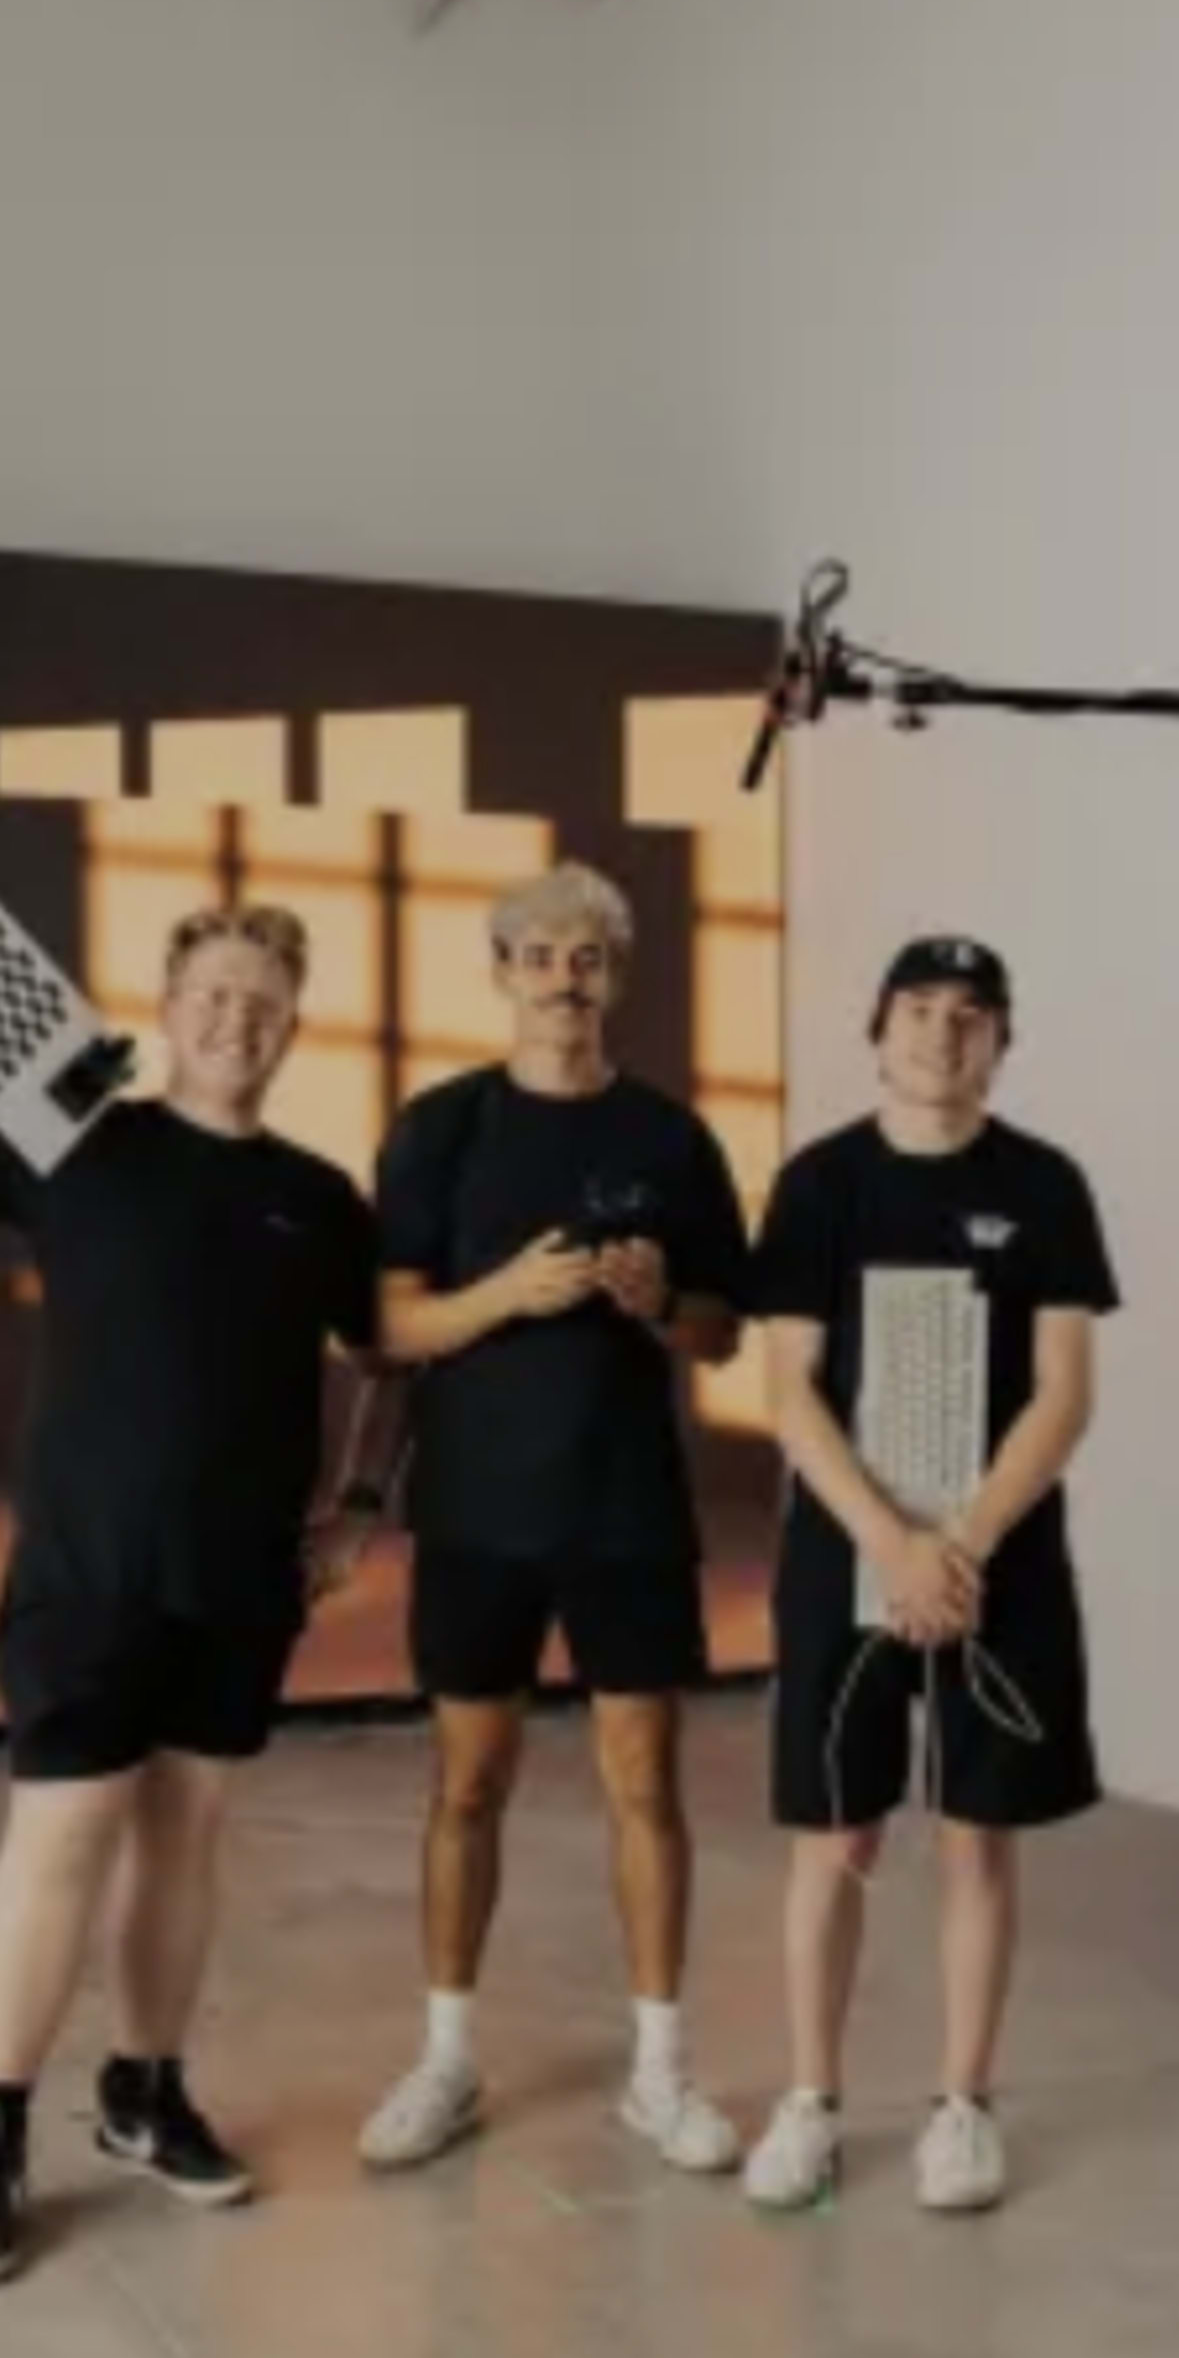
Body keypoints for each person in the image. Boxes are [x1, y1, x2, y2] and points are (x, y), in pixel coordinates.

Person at [0, 871, 384, 2286]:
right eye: (210, 997)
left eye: (261, 1005)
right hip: (87, 1567)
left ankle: (145, 2090)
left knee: (185, 1832)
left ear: (291, 1025)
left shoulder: (317, 1199)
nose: (233, 1022)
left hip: (242, 1577)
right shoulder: (75, 1138)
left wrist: (360, 1505)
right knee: (66, 1830)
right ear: (170, 1008)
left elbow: (390, 1361)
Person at [354, 861, 753, 2178]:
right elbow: (389, 1322)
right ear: (506, 971)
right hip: (477, 1508)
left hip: (627, 1506)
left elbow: (722, 1327)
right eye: (541, 955)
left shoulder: (671, 1139)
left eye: (589, 956)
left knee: (647, 1785)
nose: (564, 978)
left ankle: (658, 2069)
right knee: (466, 1785)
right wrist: (508, 1294)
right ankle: (447, 2058)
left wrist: (655, 1302)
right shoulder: (442, 1129)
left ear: (614, 976)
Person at [738, 936, 1116, 2216]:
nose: (941, 1036)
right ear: (877, 1027)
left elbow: (1063, 1398)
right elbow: (787, 1393)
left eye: (971, 1016)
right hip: (844, 1550)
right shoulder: (820, 1184)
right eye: (918, 1010)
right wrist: (889, 1544)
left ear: (1001, 1040)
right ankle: (811, 2101)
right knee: (833, 1835)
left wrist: (959, 1545)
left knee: (974, 1835)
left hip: (995, 1558)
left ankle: (962, 2106)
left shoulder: (1048, 1186)